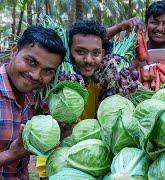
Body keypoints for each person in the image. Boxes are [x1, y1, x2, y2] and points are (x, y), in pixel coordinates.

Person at [0, 26, 66, 179]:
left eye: (48, 71)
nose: (36, 76)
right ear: (14, 50)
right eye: (31, 62)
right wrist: (11, 154)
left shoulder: (33, 97)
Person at [68, 20, 106, 120]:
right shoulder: (58, 83)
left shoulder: (105, 83)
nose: (88, 60)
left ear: (102, 54)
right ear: (68, 50)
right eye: (80, 52)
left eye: (95, 53)